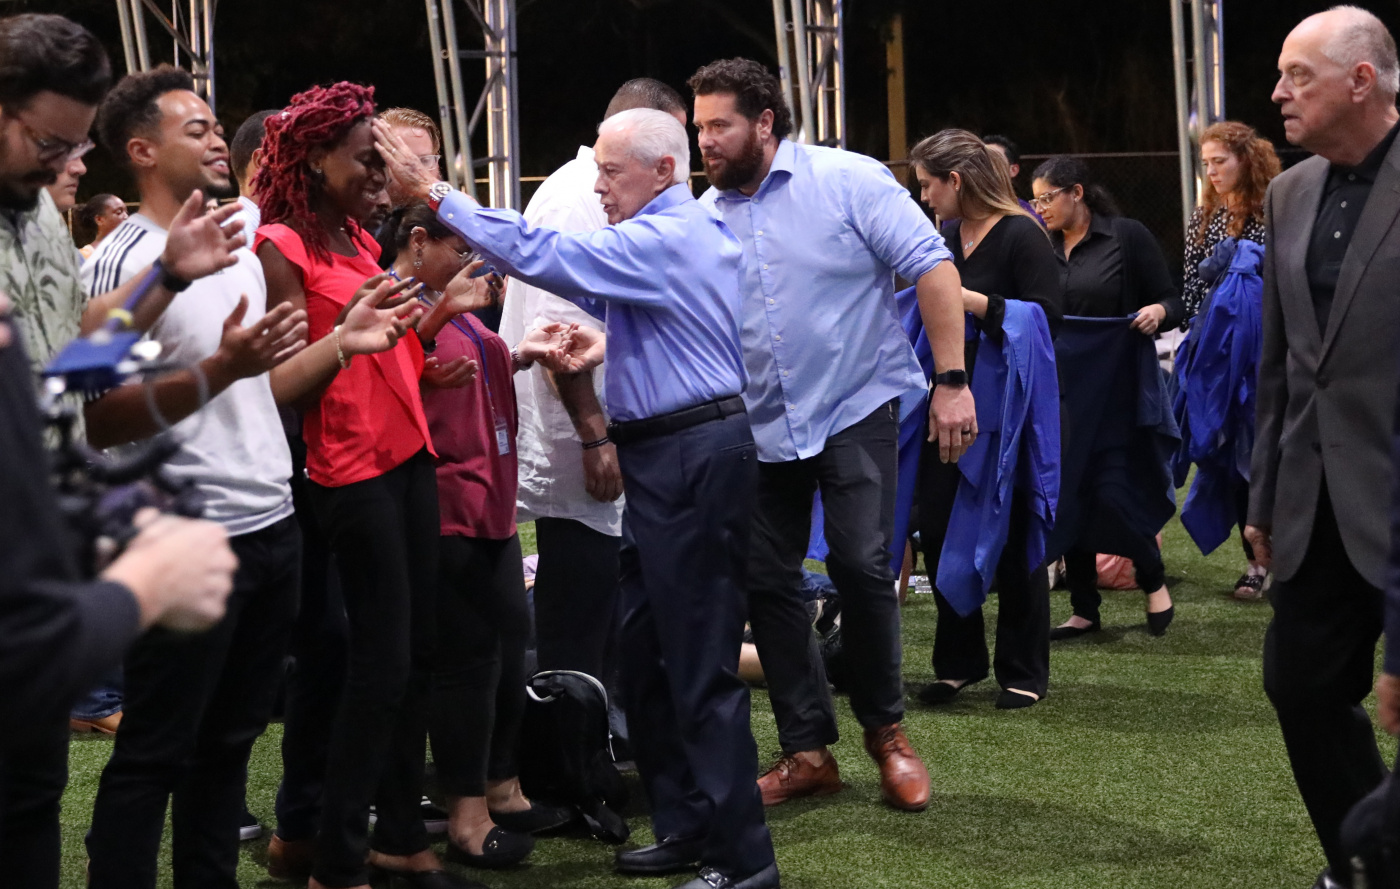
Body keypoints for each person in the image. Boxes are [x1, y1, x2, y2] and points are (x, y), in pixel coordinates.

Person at [404, 107, 778, 889]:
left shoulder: (663, 235)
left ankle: (744, 862)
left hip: (688, 455)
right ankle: (686, 825)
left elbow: (547, 255)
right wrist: (613, 344)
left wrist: (436, 192)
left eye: (610, 170)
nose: (596, 185)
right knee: (647, 653)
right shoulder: (679, 231)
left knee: (698, 664)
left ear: (663, 171)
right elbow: (682, 319)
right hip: (670, 453)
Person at [80, 65, 420, 889]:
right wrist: (220, 368)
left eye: (214, 124)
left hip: (269, 523)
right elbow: (95, 415)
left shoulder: (237, 234)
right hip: (180, 534)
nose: (217, 139)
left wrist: (341, 340)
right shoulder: (125, 259)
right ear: (141, 151)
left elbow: (262, 389)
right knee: (155, 748)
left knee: (229, 743)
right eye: (193, 128)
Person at [254, 81, 564, 889]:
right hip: (348, 471)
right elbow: (278, 383)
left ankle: (398, 841)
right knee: (379, 667)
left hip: (409, 459)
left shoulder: (357, 236)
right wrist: (348, 339)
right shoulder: (280, 244)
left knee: (415, 658)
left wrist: (427, 336)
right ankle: (337, 859)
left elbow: (384, 349)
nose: (379, 174)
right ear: (315, 159)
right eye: (366, 159)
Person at [0, 14, 250, 889]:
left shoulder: (36, 212)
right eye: (48, 143)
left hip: (42, 550)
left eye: (73, 146)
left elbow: (73, 354)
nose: (63, 165)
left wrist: (167, 278)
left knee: (30, 805)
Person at [689, 57, 970, 813]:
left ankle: (887, 734)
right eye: (699, 128)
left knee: (859, 563)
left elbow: (933, 268)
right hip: (758, 421)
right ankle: (808, 751)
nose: (705, 142)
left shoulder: (848, 180)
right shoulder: (703, 215)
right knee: (766, 576)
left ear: (765, 123)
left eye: (719, 125)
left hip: (855, 403)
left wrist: (951, 381)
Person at [1245, 8, 1400, 888]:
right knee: (1300, 685)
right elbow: (1280, 362)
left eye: (1297, 74)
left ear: (1361, 80)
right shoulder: (1290, 192)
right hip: (1317, 500)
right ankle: (1364, 859)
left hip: (1394, 489)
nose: (1278, 93)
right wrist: (1264, 493)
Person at [494, 77, 684, 745]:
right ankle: (568, 752)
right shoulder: (579, 197)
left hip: (599, 432)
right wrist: (594, 436)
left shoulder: (597, 188)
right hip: (577, 438)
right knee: (579, 606)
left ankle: (596, 742)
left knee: (601, 603)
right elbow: (560, 335)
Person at [384, 204, 571, 867]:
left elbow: (464, 377)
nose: (476, 261)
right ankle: (466, 816)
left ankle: (497, 790)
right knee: (465, 661)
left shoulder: (449, 300)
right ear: (418, 240)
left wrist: (521, 352)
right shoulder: (396, 297)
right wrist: (439, 314)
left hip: (488, 502)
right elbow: (391, 374)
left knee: (503, 648)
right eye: (462, 247)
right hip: (443, 505)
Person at [908, 129, 1063, 710]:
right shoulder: (946, 236)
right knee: (939, 525)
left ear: (956, 180)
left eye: (929, 185)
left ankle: (1023, 670)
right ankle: (958, 663)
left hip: (1011, 411)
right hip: (949, 404)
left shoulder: (1023, 234)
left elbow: (1048, 320)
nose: (924, 197)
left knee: (1016, 531)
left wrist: (963, 299)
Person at [1031, 155, 1180, 640]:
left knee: (1114, 490)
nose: (1040, 208)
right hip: (1061, 392)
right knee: (1068, 492)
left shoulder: (1126, 236)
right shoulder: (1041, 246)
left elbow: (1173, 299)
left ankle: (1152, 577)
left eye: (1047, 198)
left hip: (1117, 389)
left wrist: (1158, 311)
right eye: (1035, 200)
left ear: (1076, 193)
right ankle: (1084, 609)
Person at [1180, 120, 1281, 601]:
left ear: (1247, 159)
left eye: (1220, 161)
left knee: (1270, 452)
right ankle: (1255, 561)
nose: (1212, 172)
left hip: (1270, 351)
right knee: (1227, 453)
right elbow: (1190, 288)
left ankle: (1283, 556)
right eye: (1206, 164)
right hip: (1218, 355)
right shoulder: (1204, 216)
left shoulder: (1276, 208)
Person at [982, 134, 1040, 220]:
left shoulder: (1030, 217)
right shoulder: (963, 212)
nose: (985, 166)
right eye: (981, 160)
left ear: (1013, 170)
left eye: (994, 160)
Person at [76, 193, 128, 260]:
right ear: (99, 219)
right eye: (119, 212)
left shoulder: (131, 250)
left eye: (126, 212)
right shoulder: (83, 256)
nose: (126, 217)